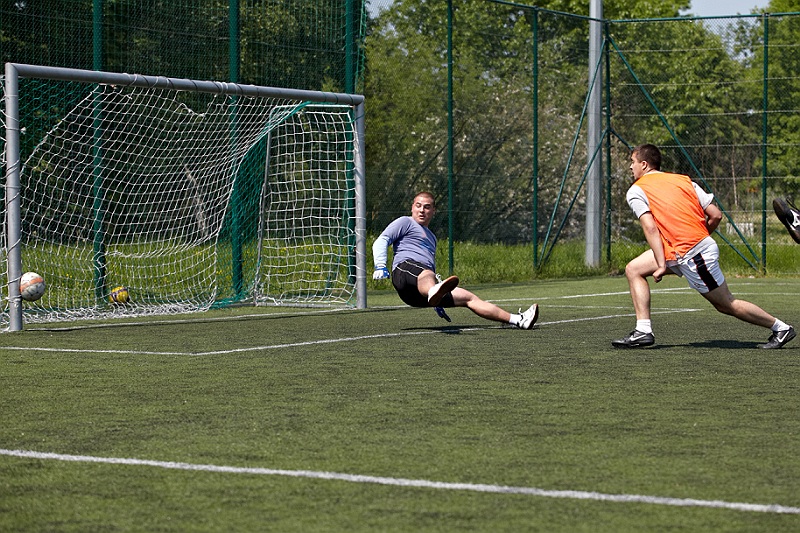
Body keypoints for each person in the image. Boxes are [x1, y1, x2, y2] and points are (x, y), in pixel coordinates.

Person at [613, 144, 795, 349]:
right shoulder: (685, 181)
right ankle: (643, 331)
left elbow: (650, 228)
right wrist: (697, 239)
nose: (631, 167)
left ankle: (781, 328)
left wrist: (663, 263)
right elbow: (715, 215)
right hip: (683, 249)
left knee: (725, 304)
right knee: (634, 269)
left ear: (644, 164)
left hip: (692, 253)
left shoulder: (636, 190)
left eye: (633, 162)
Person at [372, 191, 539, 329]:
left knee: (468, 297)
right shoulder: (405, 222)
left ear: (434, 211)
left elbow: (427, 270)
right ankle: (433, 291)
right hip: (404, 273)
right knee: (427, 273)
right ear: (412, 207)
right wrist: (380, 265)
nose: (422, 210)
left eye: (427, 207)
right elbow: (382, 240)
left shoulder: (432, 238)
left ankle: (517, 320)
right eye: (418, 206)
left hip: (416, 295)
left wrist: (437, 301)